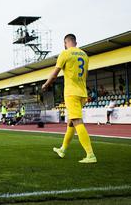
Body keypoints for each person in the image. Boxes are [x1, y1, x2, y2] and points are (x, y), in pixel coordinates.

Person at [42, 34, 97, 163]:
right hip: (82, 93)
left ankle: (90, 155)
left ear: (65, 43)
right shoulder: (84, 55)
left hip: (71, 93)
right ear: (75, 42)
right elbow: (86, 74)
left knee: (77, 121)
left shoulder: (65, 53)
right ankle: (63, 149)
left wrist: (46, 85)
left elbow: (55, 74)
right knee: (71, 123)